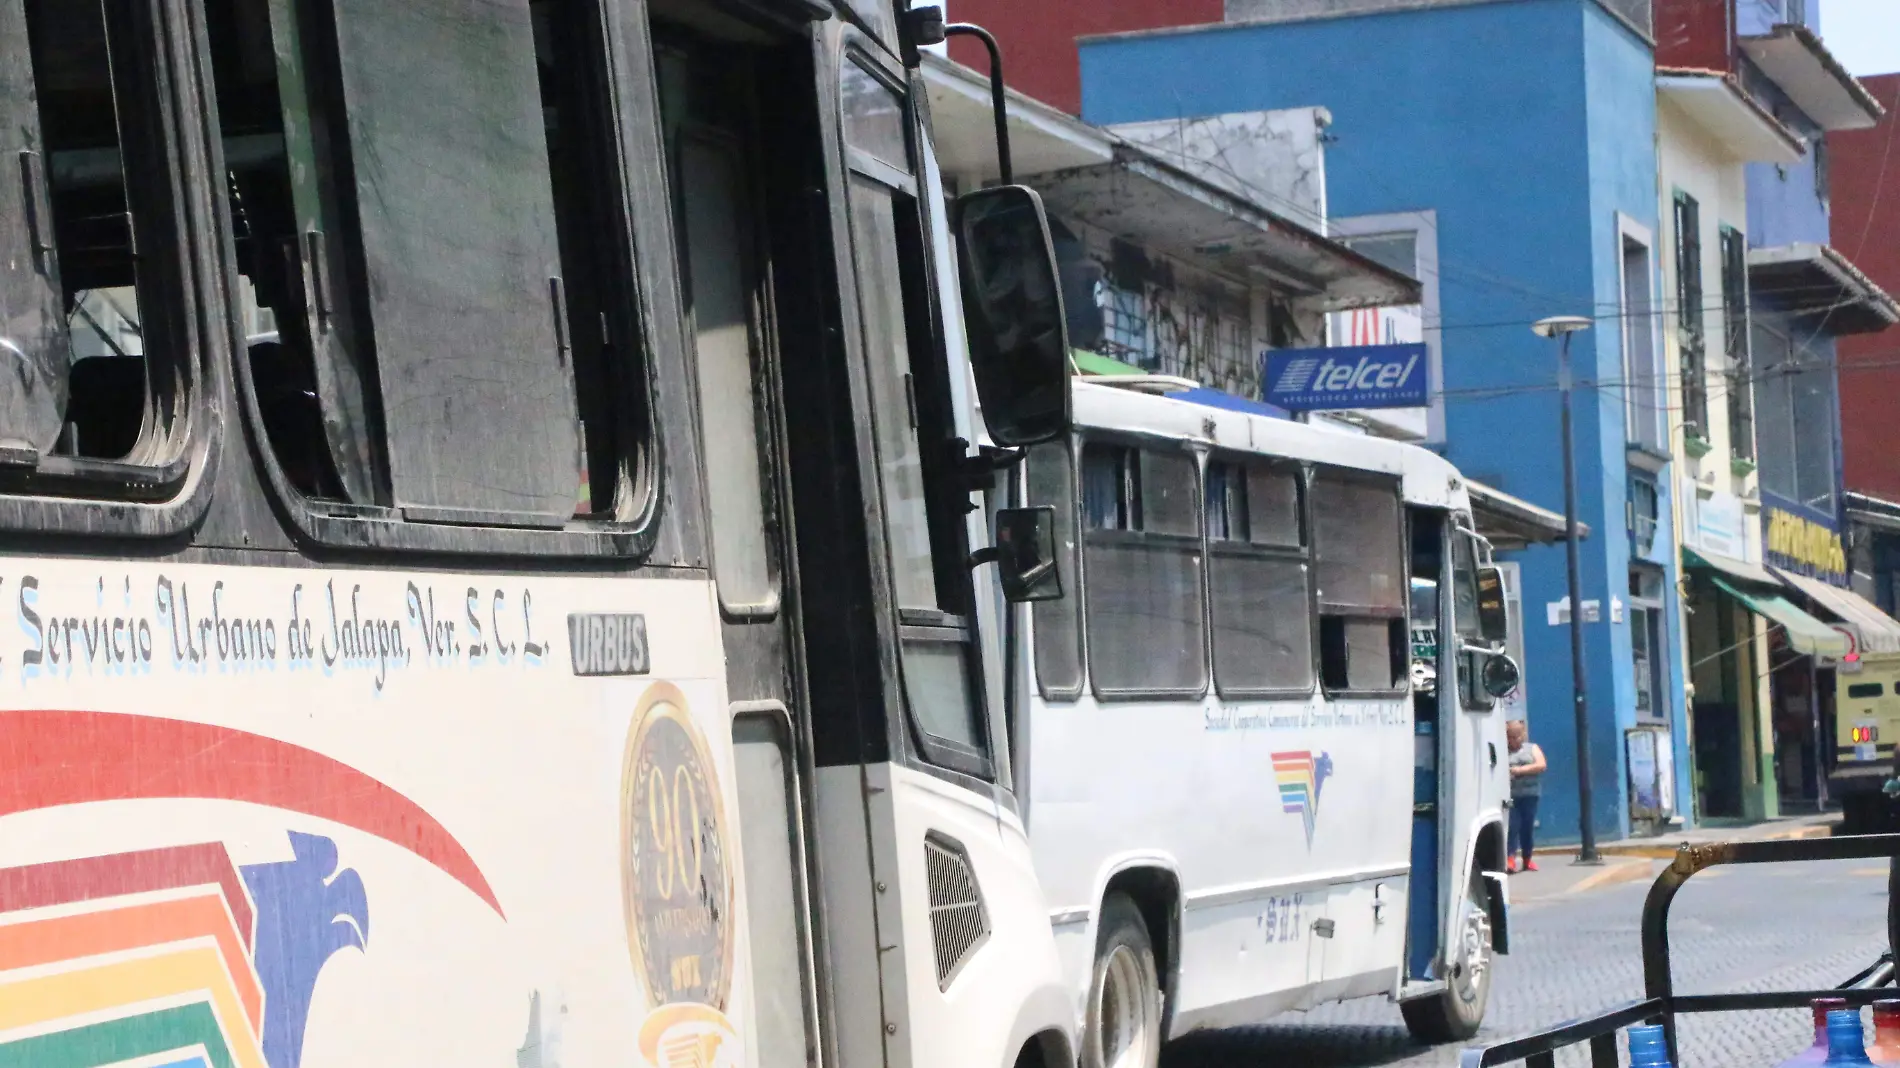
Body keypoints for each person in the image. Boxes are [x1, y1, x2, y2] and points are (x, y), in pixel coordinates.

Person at [1506, 720, 1546, 873]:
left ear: (1523, 735)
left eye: (1516, 736)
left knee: (1527, 828)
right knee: (1512, 827)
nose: (1514, 740)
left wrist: (1519, 771)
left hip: (1530, 795)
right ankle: (1510, 859)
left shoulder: (1532, 748)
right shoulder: (1503, 751)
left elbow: (1541, 765)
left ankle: (1527, 859)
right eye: (1510, 737)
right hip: (1511, 796)